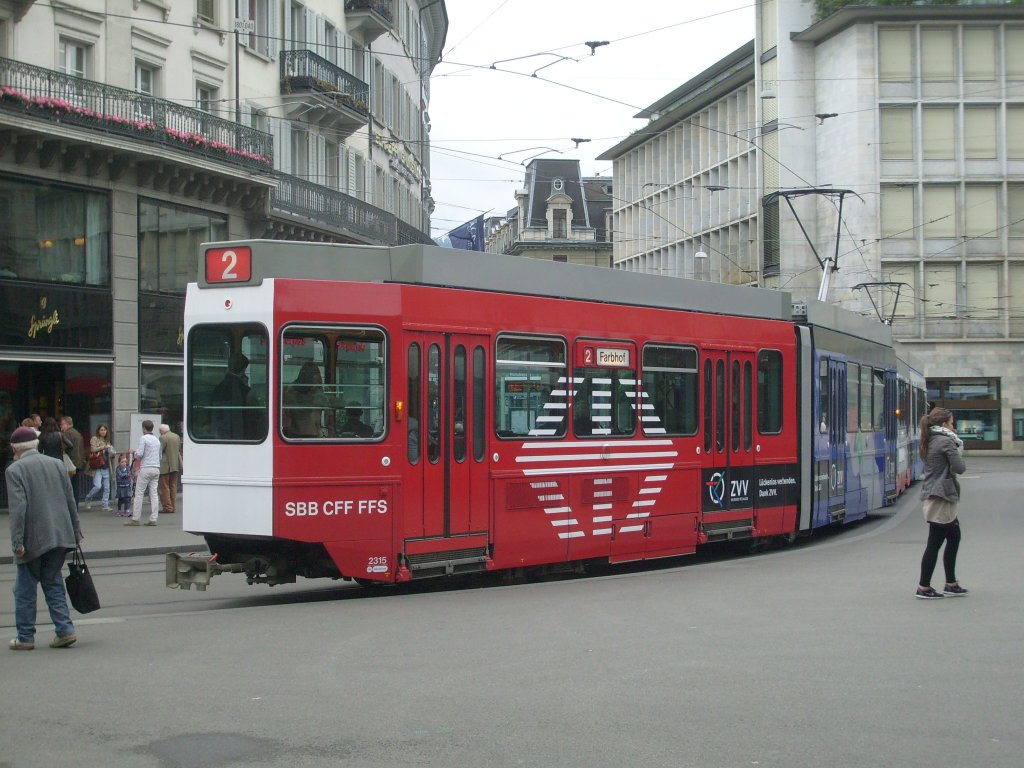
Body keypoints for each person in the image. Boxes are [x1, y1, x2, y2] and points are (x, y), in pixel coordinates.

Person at [5, 426, 83, 650]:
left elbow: (18, 510)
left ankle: (25, 637)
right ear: (36, 445)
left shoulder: (15, 470)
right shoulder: (57, 464)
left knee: (25, 590)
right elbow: (70, 501)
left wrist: (17, 543)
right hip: (60, 535)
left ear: (14, 449)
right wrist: (76, 532)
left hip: (33, 540)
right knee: (53, 582)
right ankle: (65, 630)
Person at [916, 407, 968, 600]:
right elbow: (959, 467)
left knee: (954, 537)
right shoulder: (946, 442)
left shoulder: (931, 439)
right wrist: (957, 448)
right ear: (945, 424)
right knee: (935, 542)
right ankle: (924, 586)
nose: (954, 426)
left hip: (937, 495)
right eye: (952, 423)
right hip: (942, 497)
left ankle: (951, 583)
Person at [210, 352, 251, 439]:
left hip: (221, 432)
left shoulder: (219, 388)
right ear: (243, 370)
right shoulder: (242, 389)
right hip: (238, 433)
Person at [127, 419, 161, 527]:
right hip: (156, 468)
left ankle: (136, 519)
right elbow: (159, 456)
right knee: (154, 494)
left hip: (146, 468)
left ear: (143, 428)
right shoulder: (157, 440)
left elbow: (140, 454)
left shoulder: (143, 438)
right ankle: (153, 518)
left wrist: (133, 451)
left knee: (139, 493)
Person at [283, 362, 327, 438]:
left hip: (294, 431)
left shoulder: (290, 390)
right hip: (311, 432)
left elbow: (287, 412)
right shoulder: (316, 393)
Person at [83, 423, 114, 511]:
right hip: (97, 466)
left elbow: (110, 453)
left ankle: (105, 505)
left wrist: (112, 452)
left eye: (104, 430)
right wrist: (104, 447)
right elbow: (93, 449)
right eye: (101, 430)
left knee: (107, 487)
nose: (103, 432)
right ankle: (88, 498)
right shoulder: (94, 439)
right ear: (98, 431)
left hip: (106, 465)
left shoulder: (107, 440)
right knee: (98, 486)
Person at [59, 415, 86, 505]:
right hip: (78, 463)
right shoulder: (77, 433)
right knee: (76, 487)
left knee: (69, 486)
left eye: (62, 424)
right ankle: (75, 505)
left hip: (70, 463)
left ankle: (70, 505)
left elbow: (64, 448)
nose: (61, 426)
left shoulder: (67, 434)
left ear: (67, 424)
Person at [158, 424, 182, 514]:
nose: (159, 433)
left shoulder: (163, 438)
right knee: (173, 486)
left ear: (162, 431)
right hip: (175, 464)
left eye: (160, 431)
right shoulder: (176, 436)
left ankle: (167, 507)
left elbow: (159, 451)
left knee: (164, 487)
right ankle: (173, 506)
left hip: (165, 465)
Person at [114, 453, 133, 518]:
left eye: (125, 462)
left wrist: (127, 475)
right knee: (121, 499)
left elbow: (130, 473)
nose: (124, 463)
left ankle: (126, 510)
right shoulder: (118, 469)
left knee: (128, 498)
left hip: (127, 486)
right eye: (122, 462)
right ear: (119, 462)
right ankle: (119, 510)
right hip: (121, 486)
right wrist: (126, 475)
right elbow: (121, 475)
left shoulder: (128, 468)